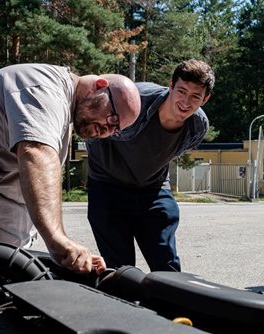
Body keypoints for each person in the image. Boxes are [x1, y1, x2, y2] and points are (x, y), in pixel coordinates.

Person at [0, 64, 141, 274]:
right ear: (99, 86)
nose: (108, 130)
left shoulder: (61, 104)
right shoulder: (42, 88)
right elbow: (37, 154)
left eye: (116, 130)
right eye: (112, 117)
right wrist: (58, 240)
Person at [86, 59, 214, 272]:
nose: (185, 102)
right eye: (181, 91)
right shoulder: (135, 101)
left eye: (195, 96)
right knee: (120, 270)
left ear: (205, 99)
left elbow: (167, 154)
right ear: (171, 85)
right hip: (108, 185)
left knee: (167, 265)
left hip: (152, 189)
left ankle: (171, 304)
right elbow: (94, 131)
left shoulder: (198, 125)